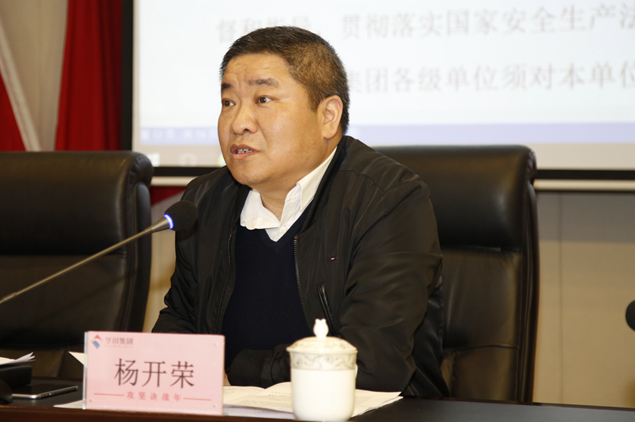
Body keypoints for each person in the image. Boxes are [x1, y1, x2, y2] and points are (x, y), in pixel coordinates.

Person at [153, 26, 449, 397]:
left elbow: (372, 363)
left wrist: (236, 371)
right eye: (228, 102)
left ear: (328, 116)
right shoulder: (205, 199)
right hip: (232, 415)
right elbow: (181, 319)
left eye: (263, 99)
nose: (238, 122)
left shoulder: (387, 199)